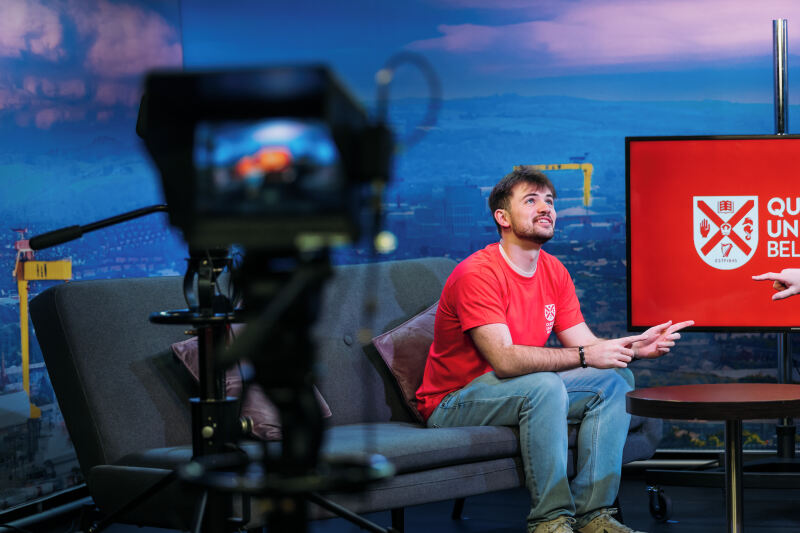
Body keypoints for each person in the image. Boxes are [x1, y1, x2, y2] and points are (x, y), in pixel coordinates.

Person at [415, 167, 693, 533]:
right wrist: (582, 357)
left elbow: (586, 345)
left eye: (549, 201)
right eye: (530, 200)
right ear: (503, 218)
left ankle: (595, 515)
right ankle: (550, 521)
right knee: (543, 386)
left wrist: (636, 347)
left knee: (615, 380)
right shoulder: (477, 273)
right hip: (453, 400)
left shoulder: (553, 270)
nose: (545, 208)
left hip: (516, 390)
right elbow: (505, 359)